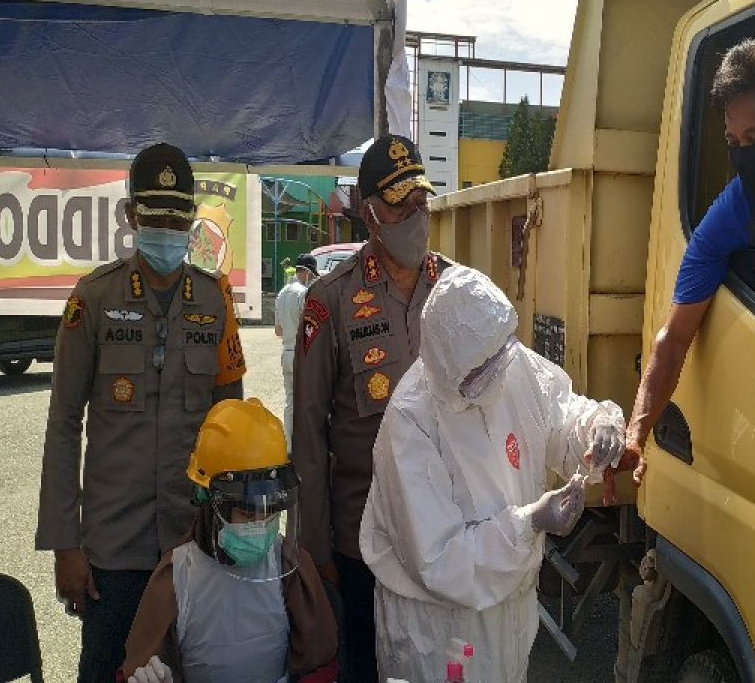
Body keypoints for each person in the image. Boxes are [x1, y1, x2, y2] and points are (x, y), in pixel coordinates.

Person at [36, 142, 248, 682]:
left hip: (192, 544)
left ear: (192, 219)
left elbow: (233, 426)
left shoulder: (215, 300)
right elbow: (63, 424)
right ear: (131, 214)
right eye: (155, 215)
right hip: (112, 551)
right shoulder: (94, 299)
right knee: (107, 671)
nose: (167, 228)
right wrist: (66, 543)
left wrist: (235, 533)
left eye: (178, 216)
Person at [359, 266, 626, 683]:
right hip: (438, 631)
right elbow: (440, 561)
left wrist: (596, 427)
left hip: (509, 614)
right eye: (476, 373)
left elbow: (559, 414)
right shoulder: (410, 421)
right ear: (447, 369)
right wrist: (530, 522)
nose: (494, 374)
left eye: (500, 355)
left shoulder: (504, 359)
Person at [616, 36, 755, 490]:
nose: (743, 153)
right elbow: (674, 338)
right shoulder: (730, 217)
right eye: (733, 140)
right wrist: (636, 433)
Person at [293, 133, 451, 681]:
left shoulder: (455, 288)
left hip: (443, 534)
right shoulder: (331, 300)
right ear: (370, 214)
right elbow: (309, 433)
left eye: (421, 199)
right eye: (399, 203)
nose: (415, 214)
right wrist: (313, 549)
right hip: (361, 543)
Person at [119, 398, 338, 683]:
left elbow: (320, 666)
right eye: (248, 513)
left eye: (270, 513)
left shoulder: (289, 568)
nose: (260, 525)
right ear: (212, 504)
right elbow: (137, 667)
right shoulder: (176, 577)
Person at [274, 253, 317, 447]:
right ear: (307, 272)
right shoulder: (303, 293)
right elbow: (307, 326)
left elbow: (278, 330)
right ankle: (305, 446)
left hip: (286, 352)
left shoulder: (282, 293)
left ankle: (289, 446)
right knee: (307, 401)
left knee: (290, 402)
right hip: (302, 354)